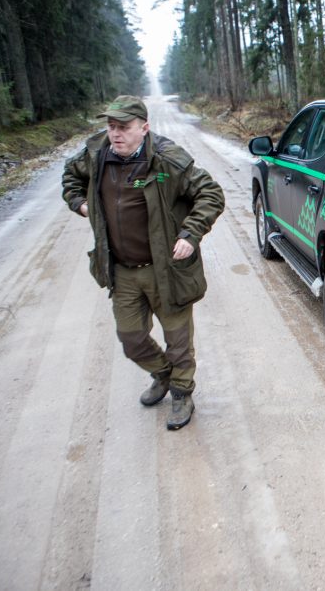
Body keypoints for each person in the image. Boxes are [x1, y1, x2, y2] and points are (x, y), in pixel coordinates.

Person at [62, 95, 225, 430]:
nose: (116, 134)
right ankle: (164, 375)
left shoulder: (167, 160)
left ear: (144, 127)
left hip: (165, 269)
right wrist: (80, 204)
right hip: (122, 270)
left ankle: (182, 393)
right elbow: (70, 177)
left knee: (178, 340)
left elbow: (211, 194)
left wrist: (189, 235)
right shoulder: (96, 154)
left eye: (124, 127)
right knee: (131, 339)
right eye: (111, 127)